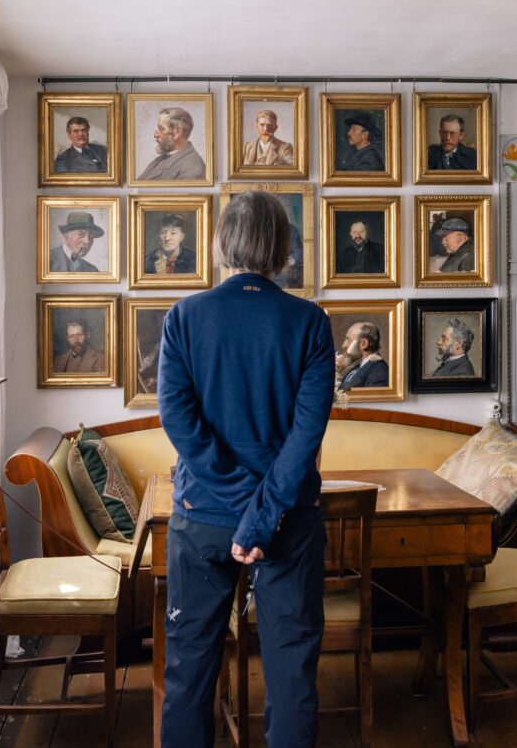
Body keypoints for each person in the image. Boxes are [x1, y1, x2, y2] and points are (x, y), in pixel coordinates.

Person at [158, 190, 334, 748]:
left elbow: (179, 422)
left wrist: (240, 505)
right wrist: (259, 514)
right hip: (287, 521)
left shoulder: (184, 317)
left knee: (188, 672)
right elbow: (306, 435)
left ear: (220, 243)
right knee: (292, 671)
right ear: (282, 248)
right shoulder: (310, 321)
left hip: (202, 517)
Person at [139, 107, 207, 180]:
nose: (155, 135)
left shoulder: (193, 168)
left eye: (161, 129)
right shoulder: (163, 158)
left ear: (177, 132)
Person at [337, 321, 388, 389]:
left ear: (364, 344)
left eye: (349, 340)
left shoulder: (379, 371)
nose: (344, 345)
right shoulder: (359, 366)